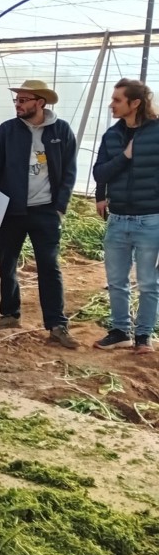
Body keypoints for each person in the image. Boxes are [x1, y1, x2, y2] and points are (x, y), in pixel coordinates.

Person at [0, 79, 78, 349]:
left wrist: (60, 207)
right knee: (7, 263)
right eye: (17, 100)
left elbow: (69, 171)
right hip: (11, 210)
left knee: (49, 266)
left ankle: (57, 324)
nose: (18, 105)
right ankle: (9, 314)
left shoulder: (60, 130)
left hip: (46, 211)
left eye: (23, 100)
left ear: (40, 103)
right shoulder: (8, 130)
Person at [92, 78, 159, 354]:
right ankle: (120, 331)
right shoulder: (112, 135)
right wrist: (125, 157)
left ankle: (144, 335)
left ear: (136, 103)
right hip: (118, 218)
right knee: (116, 282)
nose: (112, 105)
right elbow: (99, 172)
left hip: (150, 219)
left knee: (148, 283)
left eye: (117, 100)